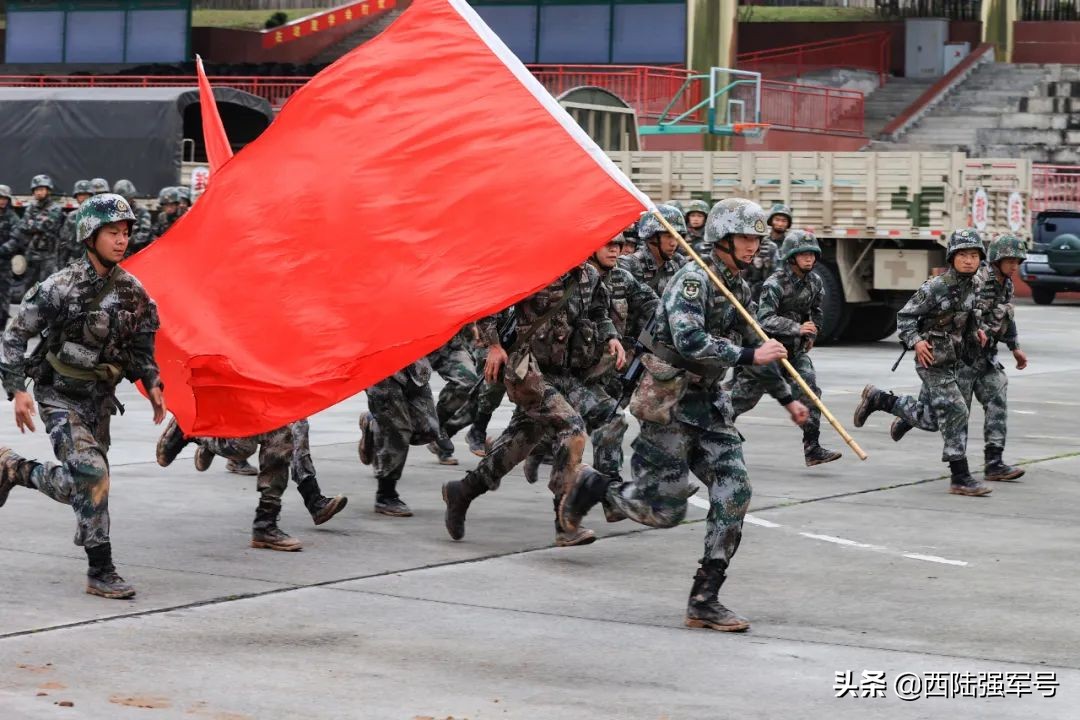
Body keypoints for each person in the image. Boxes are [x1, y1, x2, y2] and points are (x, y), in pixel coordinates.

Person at [559, 198, 807, 632]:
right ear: (724, 239)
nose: (754, 246)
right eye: (746, 237)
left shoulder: (740, 288)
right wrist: (751, 352)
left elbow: (759, 350)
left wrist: (788, 399)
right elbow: (690, 341)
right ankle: (593, 485)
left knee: (735, 491)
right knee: (663, 510)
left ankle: (705, 597)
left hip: (710, 405)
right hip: (669, 403)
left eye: (756, 238)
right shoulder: (693, 280)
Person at [0, 193, 166, 599]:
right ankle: (101, 569)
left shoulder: (133, 292)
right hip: (60, 397)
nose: (122, 240)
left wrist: (154, 382)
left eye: (126, 233)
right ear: (90, 236)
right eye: (113, 232)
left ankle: (14, 470)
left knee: (86, 483)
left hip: (99, 403)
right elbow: (14, 337)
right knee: (93, 475)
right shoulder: (59, 287)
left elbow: (142, 347)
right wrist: (18, 389)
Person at [441, 262, 625, 547]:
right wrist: (494, 345)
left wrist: (612, 336)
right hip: (527, 369)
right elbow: (491, 304)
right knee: (572, 427)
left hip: (562, 375)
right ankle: (565, 520)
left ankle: (462, 491)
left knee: (518, 443)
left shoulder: (588, 275)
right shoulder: (535, 267)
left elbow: (600, 311)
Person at [853, 229, 991, 496]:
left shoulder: (974, 285)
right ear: (952, 257)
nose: (969, 260)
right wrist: (916, 341)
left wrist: (978, 331)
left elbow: (970, 316)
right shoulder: (935, 286)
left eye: (974, 255)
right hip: (931, 359)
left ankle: (880, 400)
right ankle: (960, 476)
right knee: (957, 411)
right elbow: (904, 318)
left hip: (954, 359)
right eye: (963, 255)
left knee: (930, 420)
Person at [889, 234, 1029, 482]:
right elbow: (909, 316)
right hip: (955, 358)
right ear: (997, 259)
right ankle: (903, 413)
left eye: (1018, 260)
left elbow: (1003, 316)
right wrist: (918, 341)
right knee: (942, 415)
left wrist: (1013, 345)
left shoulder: (1000, 284)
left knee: (994, 400)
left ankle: (992, 462)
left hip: (981, 355)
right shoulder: (968, 282)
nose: (1015, 265)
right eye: (1010, 260)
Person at [730, 230, 842, 466]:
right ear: (791, 257)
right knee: (741, 400)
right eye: (803, 255)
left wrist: (812, 333)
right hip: (768, 352)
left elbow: (816, 311)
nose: (809, 259)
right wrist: (796, 328)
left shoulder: (815, 282)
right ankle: (713, 431)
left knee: (811, 393)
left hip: (795, 353)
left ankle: (812, 449)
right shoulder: (775, 283)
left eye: (812, 254)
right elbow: (764, 318)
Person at [157, 418, 348, 550]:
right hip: (239, 379)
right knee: (241, 447)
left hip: (274, 379)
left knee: (283, 434)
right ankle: (192, 430)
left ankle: (266, 524)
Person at [358, 359, 441, 517]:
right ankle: (386, 495)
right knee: (397, 430)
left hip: (414, 366)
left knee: (428, 429)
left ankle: (373, 425)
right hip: (381, 367)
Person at [618, 204, 688, 297]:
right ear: (652, 237)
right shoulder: (628, 265)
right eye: (669, 236)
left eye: (677, 236)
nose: (674, 243)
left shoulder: (678, 263)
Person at [12, 175, 65, 288]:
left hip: (48, 257)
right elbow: (23, 226)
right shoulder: (30, 208)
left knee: (48, 289)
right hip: (31, 255)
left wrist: (32, 223)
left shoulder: (55, 208)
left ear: (48, 190)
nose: (38, 192)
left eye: (41, 189)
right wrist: (35, 225)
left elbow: (46, 225)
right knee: (29, 289)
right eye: (36, 190)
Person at [744, 203, 789, 301]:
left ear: (788, 223)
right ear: (771, 221)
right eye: (777, 220)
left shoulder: (790, 245)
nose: (780, 224)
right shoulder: (760, 242)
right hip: (758, 291)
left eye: (784, 221)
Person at [57, 180, 94, 268]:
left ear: (91, 196)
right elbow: (64, 241)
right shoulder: (71, 216)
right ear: (76, 197)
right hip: (75, 260)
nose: (83, 198)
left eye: (86, 195)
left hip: (93, 260)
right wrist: (61, 265)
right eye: (80, 195)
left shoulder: (98, 216)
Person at [0, 185, 22, 330]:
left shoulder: (13, 217)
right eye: (0, 198)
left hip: (4, 262)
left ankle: (1, 327)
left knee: (3, 295)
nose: (2, 201)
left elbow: (16, 239)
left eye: (4, 198)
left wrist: (2, 249)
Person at [113, 180, 153, 256]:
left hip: (137, 252)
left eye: (128, 198)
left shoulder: (141, 211)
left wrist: (129, 240)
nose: (126, 201)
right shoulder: (113, 213)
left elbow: (145, 234)